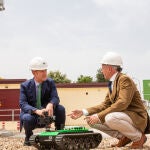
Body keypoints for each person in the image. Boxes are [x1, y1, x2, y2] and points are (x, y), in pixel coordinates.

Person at [68, 52, 148, 149]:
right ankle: (124, 137)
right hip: (125, 116)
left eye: (102, 68)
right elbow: (105, 104)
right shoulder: (112, 83)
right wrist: (83, 111)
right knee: (91, 120)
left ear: (109, 68)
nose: (102, 71)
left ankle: (138, 138)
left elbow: (122, 103)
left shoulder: (124, 79)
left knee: (110, 118)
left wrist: (99, 116)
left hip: (136, 117)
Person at [20, 57, 66, 146]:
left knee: (60, 109)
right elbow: (23, 104)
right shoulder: (24, 86)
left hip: (47, 113)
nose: (45, 73)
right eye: (42, 71)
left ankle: (59, 133)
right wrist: (36, 111)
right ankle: (28, 137)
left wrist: (51, 104)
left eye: (45, 70)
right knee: (26, 117)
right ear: (34, 72)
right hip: (33, 115)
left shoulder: (50, 82)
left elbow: (55, 97)